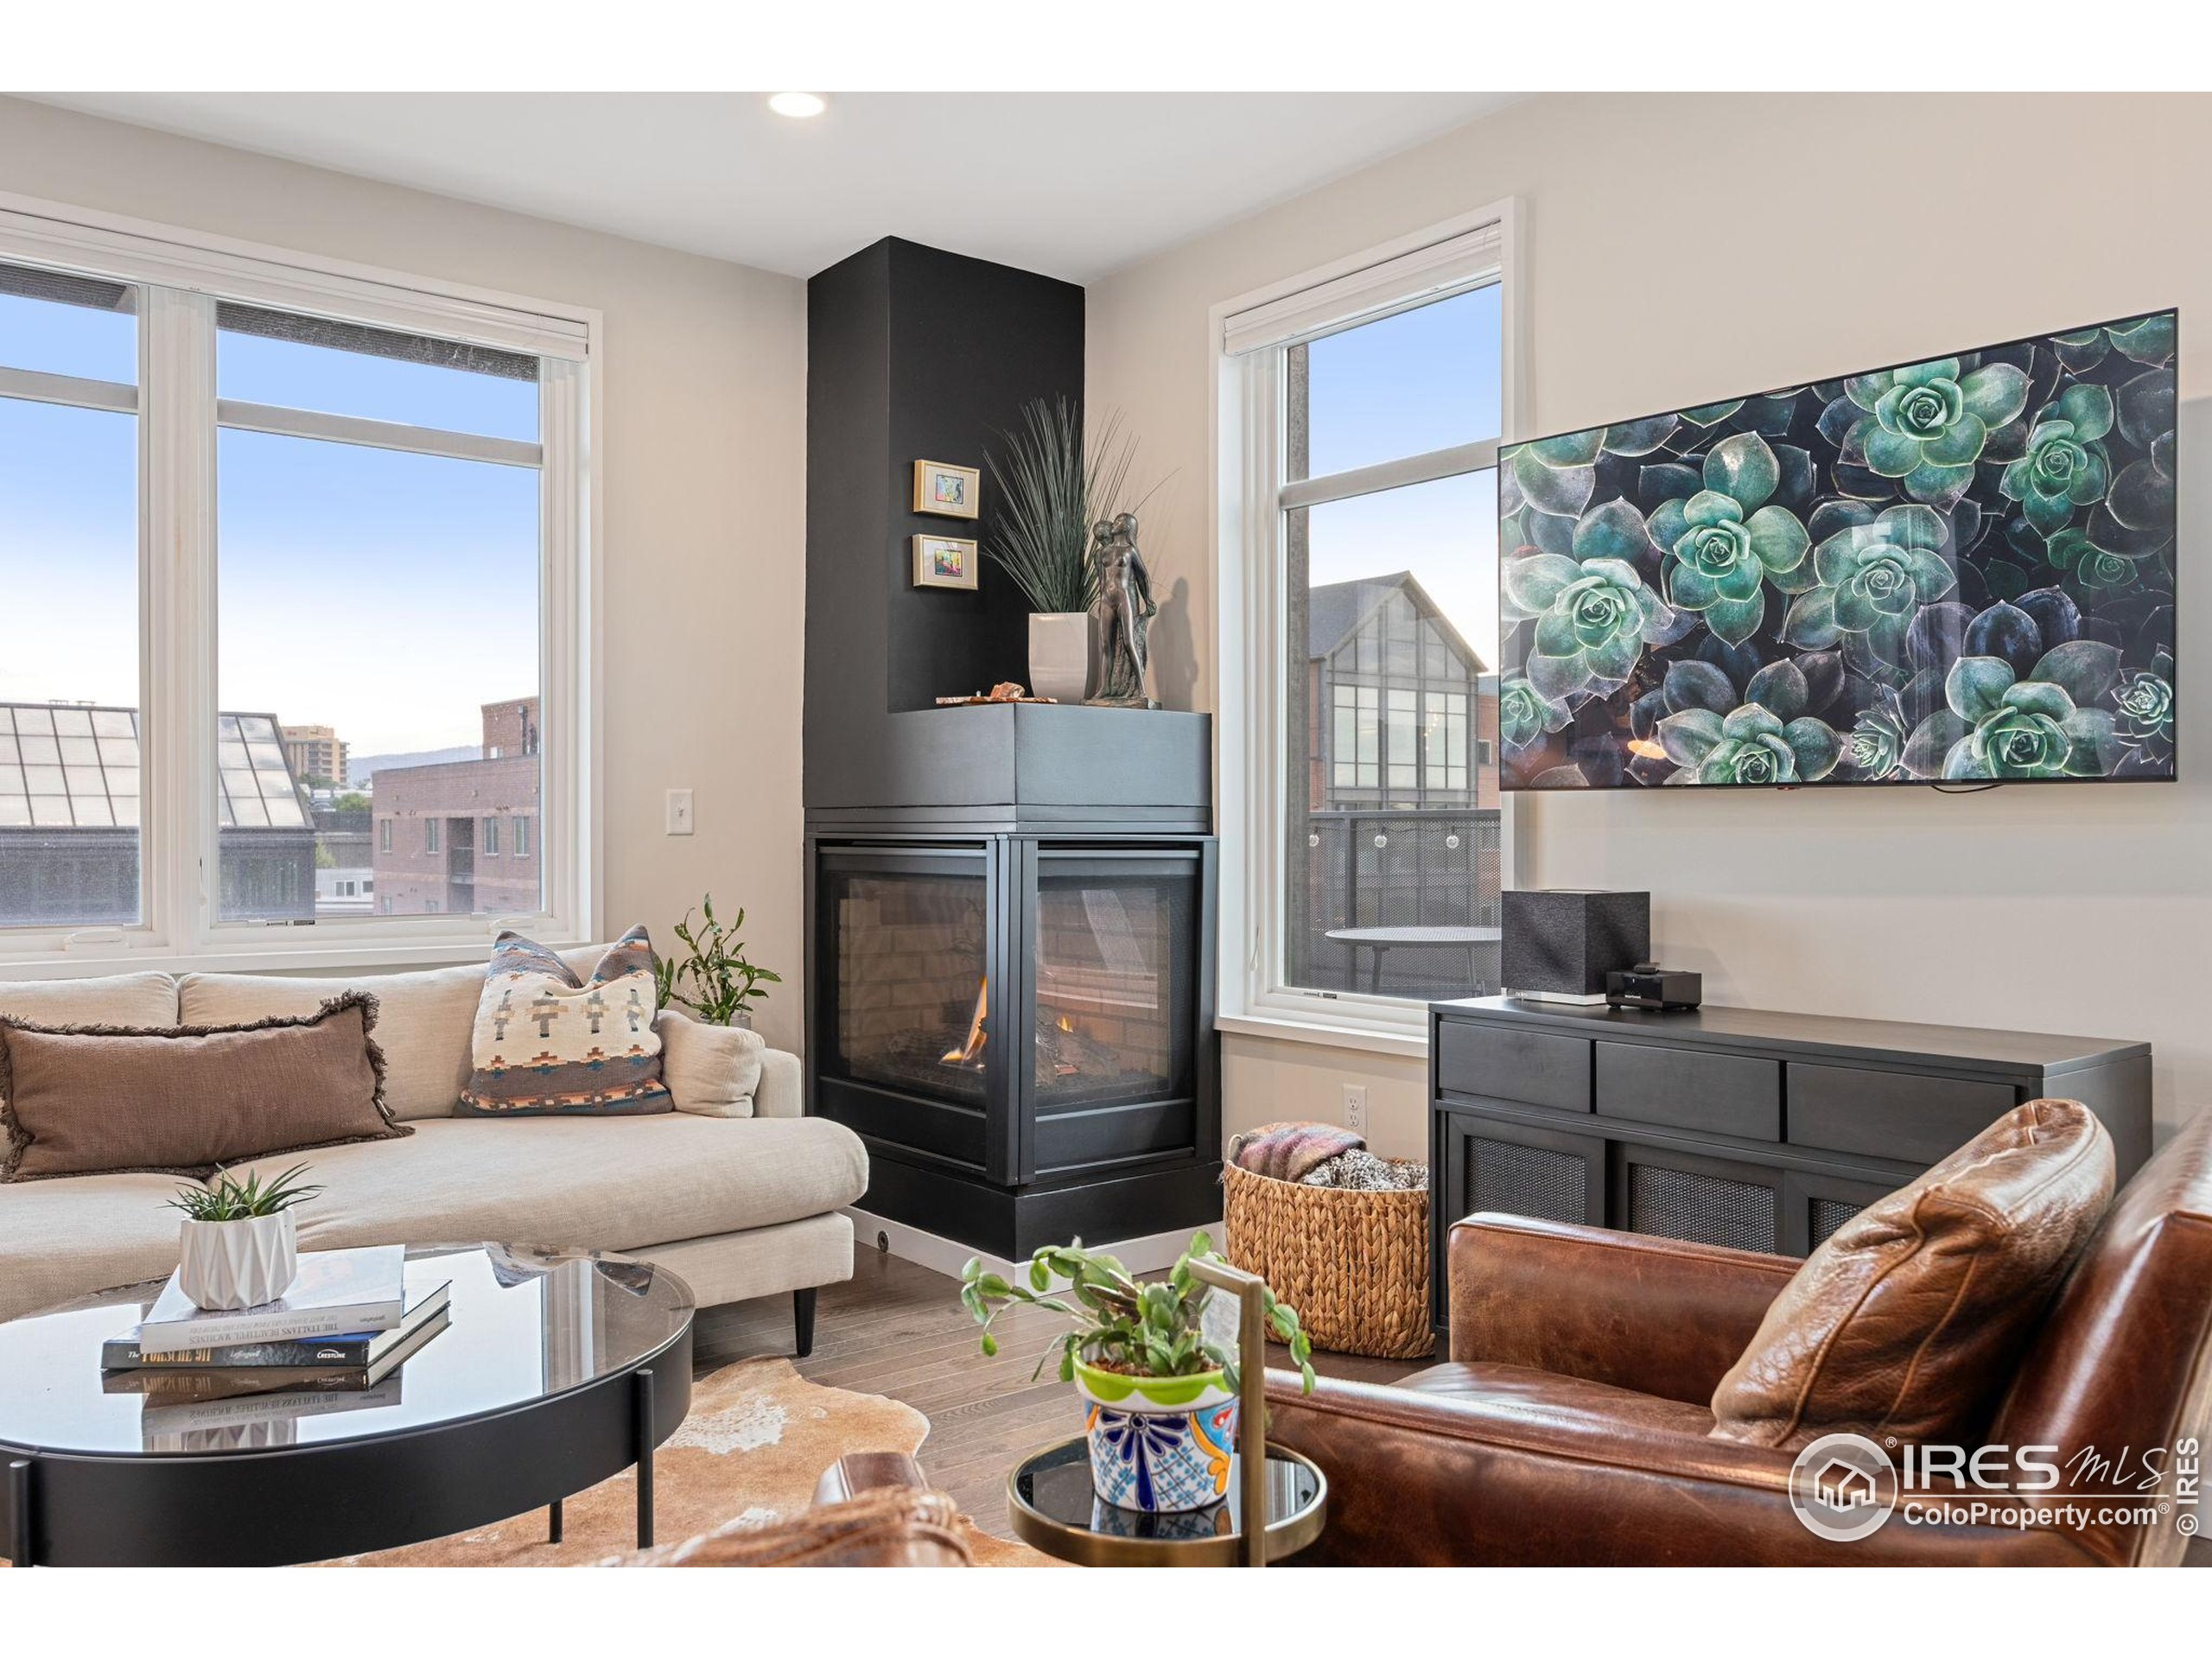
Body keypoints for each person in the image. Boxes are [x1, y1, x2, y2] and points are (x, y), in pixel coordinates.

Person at [1087, 512, 1157, 706]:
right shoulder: (1102, 553)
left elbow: (1143, 576)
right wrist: (1102, 602)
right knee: (1105, 646)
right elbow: (1102, 580)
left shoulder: (1129, 551)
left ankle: (1141, 689)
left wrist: (1148, 599)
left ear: (1126, 527)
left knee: (1129, 642)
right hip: (1106, 600)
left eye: (1118, 521)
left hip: (1123, 597)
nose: (1114, 524)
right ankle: (1105, 688)